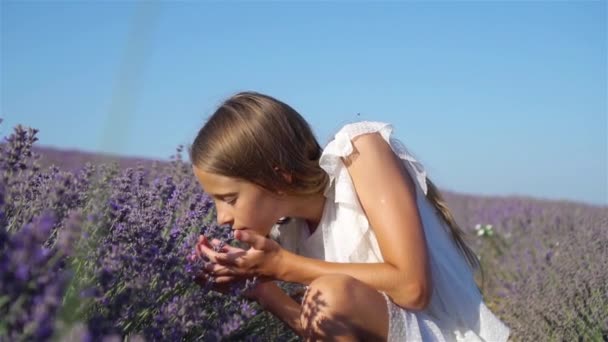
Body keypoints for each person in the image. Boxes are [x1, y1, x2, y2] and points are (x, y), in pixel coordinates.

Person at [191, 91, 510, 341]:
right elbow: (326, 331)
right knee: (328, 296)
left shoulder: (360, 152)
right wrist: (260, 288)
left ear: (278, 177)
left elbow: (413, 287)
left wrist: (285, 268)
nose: (222, 218)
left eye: (229, 199)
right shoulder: (292, 235)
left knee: (329, 293)